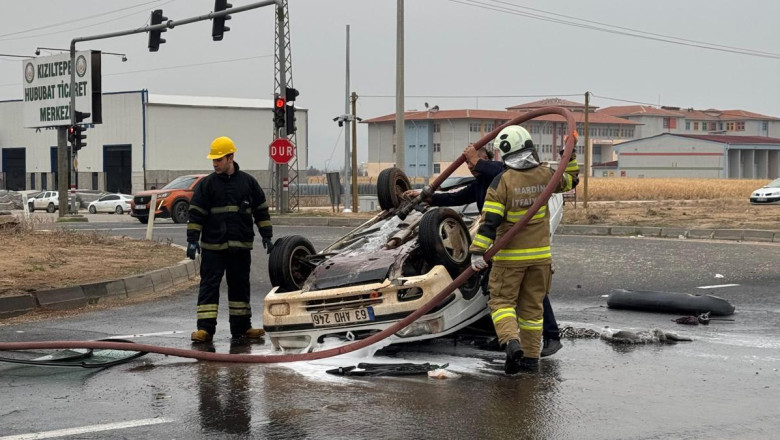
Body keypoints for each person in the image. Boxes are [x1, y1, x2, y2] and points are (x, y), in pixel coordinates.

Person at [404, 144, 571, 358]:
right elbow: (455, 197)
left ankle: (551, 336)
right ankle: (506, 338)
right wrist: (429, 198)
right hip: (501, 245)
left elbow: (498, 172)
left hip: (521, 242)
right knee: (492, 290)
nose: (472, 166)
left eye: (476, 161)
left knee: (531, 293)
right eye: (468, 163)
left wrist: (478, 161)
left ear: (488, 160)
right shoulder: (481, 184)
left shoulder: (505, 174)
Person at [469, 125, 578, 374]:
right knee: (532, 310)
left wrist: (477, 253)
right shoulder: (545, 175)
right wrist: (569, 156)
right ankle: (530, 359)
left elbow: (489, 223)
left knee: (501, 303)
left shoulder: (502, 182)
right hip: (540, 258)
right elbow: (571, 180)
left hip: (510, 259)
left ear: (505, 152)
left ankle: (511, 342)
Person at [186, 136, 274, 343]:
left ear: (230, 157)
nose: (215, 164)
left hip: (240, 247)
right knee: (209, 286)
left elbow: (261, 211)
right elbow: (196, 214)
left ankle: (242, 328)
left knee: (240, 286)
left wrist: (267, 236)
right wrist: (192, 240)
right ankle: (205, 330)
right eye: (213, 160)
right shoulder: (206, 185)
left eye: (219, 159)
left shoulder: (248, 183)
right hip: (212, 247)